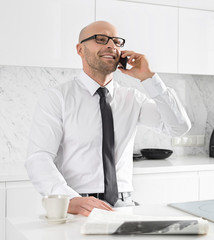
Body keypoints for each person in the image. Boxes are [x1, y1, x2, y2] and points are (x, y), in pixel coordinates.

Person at [25, 21, 191, 217]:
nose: (111, 46)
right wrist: (69, 199)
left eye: (116, 42)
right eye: (101, 39)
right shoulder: (57, 98)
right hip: (78, 205)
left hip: (125, 206)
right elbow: (39, 158)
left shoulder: (132, 99)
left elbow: (179, 127)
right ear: (80, 49)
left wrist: (149, 77)